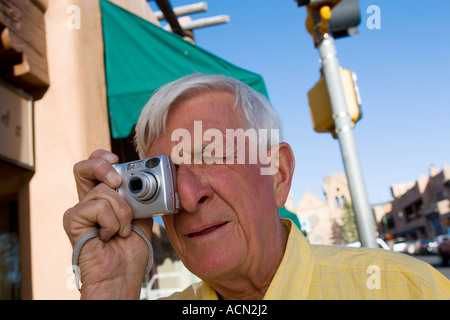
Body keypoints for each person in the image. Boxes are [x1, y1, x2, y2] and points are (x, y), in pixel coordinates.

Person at [64, 73, 450, 300]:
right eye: (163, 176)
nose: (187, 195)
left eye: (211, 155)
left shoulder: (405, 291)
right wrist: (110, 292)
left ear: (278, 173)